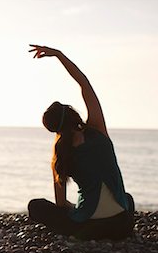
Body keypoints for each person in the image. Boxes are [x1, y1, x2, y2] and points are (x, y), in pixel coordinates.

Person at [27, 45, 135, 240]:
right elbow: (84, 84)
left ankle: (89, 225)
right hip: (121, 226)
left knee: (36, 206)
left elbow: (61, 204)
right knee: (127, 198)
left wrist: (77, 209)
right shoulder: (97, 130)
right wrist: (59, 55)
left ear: (54, 130)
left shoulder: (60, 153)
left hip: (87, 227)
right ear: (72, 113)